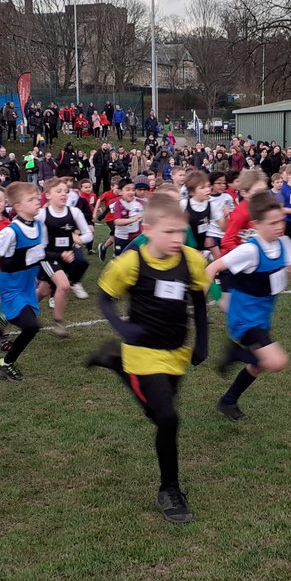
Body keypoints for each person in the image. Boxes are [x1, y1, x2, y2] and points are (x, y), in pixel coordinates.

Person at [86, 192, 210, 523]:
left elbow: (198, 298)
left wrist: (203, 342)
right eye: (168, 232)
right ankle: (169, 489)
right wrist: (121, 329)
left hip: (177, 354)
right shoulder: (131, 262)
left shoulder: (191, 260)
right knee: (168, 418)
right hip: (143, 355)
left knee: (159, 415)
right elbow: (104, 299)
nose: (176, 239)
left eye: (180, 232)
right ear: (148, 228)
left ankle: (114, 364)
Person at [205, 191, 291, 421]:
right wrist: (208, 295)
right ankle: (234, 352)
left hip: (262, 316)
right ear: (256, 225)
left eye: (281, 220)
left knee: (257, 365)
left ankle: (228, 401)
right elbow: (212, 268)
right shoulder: (249, 250)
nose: (280, 226)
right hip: (244, 317)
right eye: (273, 223)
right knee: (276, 361)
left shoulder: (284, 242)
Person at [0, 182, 45, 381]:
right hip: (11, 287)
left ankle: (3, 316)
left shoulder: (38, 225)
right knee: (31, 327)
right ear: (18, 207)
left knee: (29, 324)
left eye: (37, 198)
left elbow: (40, 253)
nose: (37, 202)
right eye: (31, 200)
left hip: (28, 285)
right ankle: (6, 362)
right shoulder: (11, 231)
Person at [37, 178, 94, 337]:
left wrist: (80, 239)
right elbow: (39, 247)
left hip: (66, 257)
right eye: (59, 191)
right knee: (63, 286)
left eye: (66, 191)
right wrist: (59, 254)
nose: (63, 194)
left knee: (43, 291)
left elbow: (88, 234)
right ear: (48, 195)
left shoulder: (74, 212)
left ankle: (24, 311)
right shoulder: (42, 215)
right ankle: (59, 324)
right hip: (48, 258)